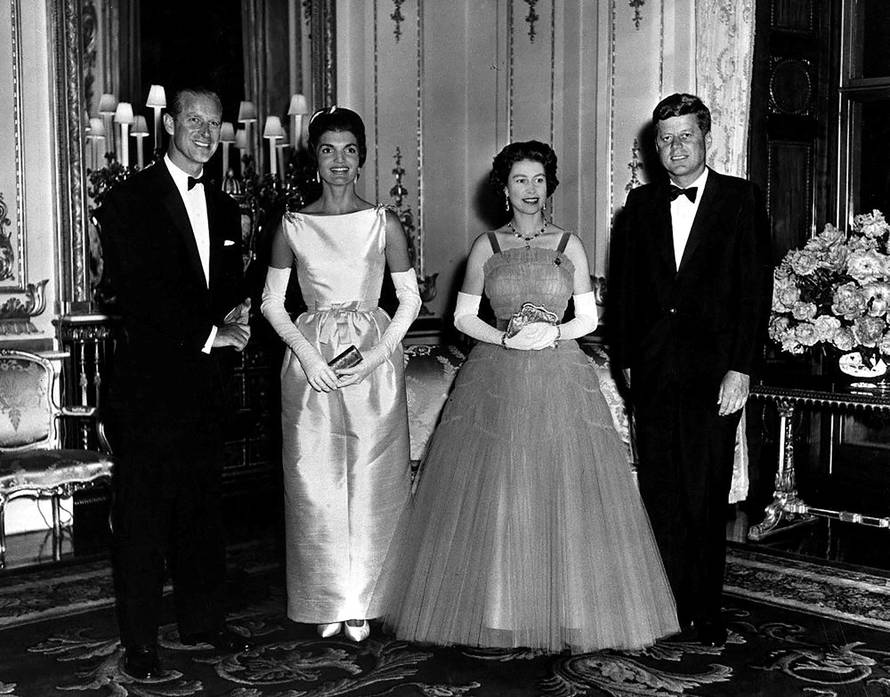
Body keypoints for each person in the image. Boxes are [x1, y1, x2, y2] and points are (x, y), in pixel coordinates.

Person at [373, 140, 679, 653]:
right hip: (496, 378)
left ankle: (571, 609)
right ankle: (501, 609)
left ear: (549, 185)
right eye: (521, 180)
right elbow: (464, 317)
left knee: (561, 488)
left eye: (539, 179)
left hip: (560, 377)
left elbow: (589, 317)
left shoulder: (569, 245)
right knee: (502, 488)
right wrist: (505, 338)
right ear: (504, 188)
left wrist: (552, 335)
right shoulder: (486, 247)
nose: (531, 190)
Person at [96, 86, 253, 680]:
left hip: (204, 386)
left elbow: (227, 284)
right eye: (194, 120)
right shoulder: (128, 201)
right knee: (142, 520)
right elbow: (133, 293)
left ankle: (203, 620)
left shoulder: (223, 205)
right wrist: (210, 334)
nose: (206, 133)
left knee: (200, 510)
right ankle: (140, 641)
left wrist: (237, 317)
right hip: (147, 387)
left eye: (215, 123)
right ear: (169, 124)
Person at [608, 93, 772, 647]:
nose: (675, 147)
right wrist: (626, 360)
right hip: (652, 372)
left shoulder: (742, 199)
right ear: (655, 146)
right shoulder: (639, 206)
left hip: (714, 374)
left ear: (707, 139)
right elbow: (626, 292)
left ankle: (705, 609)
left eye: (686, 136)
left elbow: (755, 292)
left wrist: (741, 369)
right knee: (660, 492)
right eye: (665, 138)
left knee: (705, 493)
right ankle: (666, 607)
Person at [260, 106, 421, 643]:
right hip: (312, 365)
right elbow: (271, 304)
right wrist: (307, 357)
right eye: (328, 149)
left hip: (373, 362)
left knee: (375, 480)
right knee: (315, 482)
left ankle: (367, 602)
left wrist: (376, 357)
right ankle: (328, 596)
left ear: (362, 156)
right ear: (315, 157)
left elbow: (410, 299)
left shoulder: (383, 221)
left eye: (349, 149)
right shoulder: (292, 225)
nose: (339, 161)